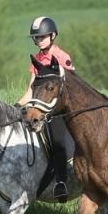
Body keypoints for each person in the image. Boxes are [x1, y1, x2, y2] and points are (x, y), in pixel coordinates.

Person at [17, 15, 77, 199]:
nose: (39, 40)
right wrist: (18, 105)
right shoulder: (36, 59)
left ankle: (60, 181)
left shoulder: (61, 57)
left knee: (56, 138)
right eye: (37, 37)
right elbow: (31, 89)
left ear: (52, 36)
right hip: (40, 107)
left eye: (42, 36)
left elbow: (72, 87)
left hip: (58, 110)